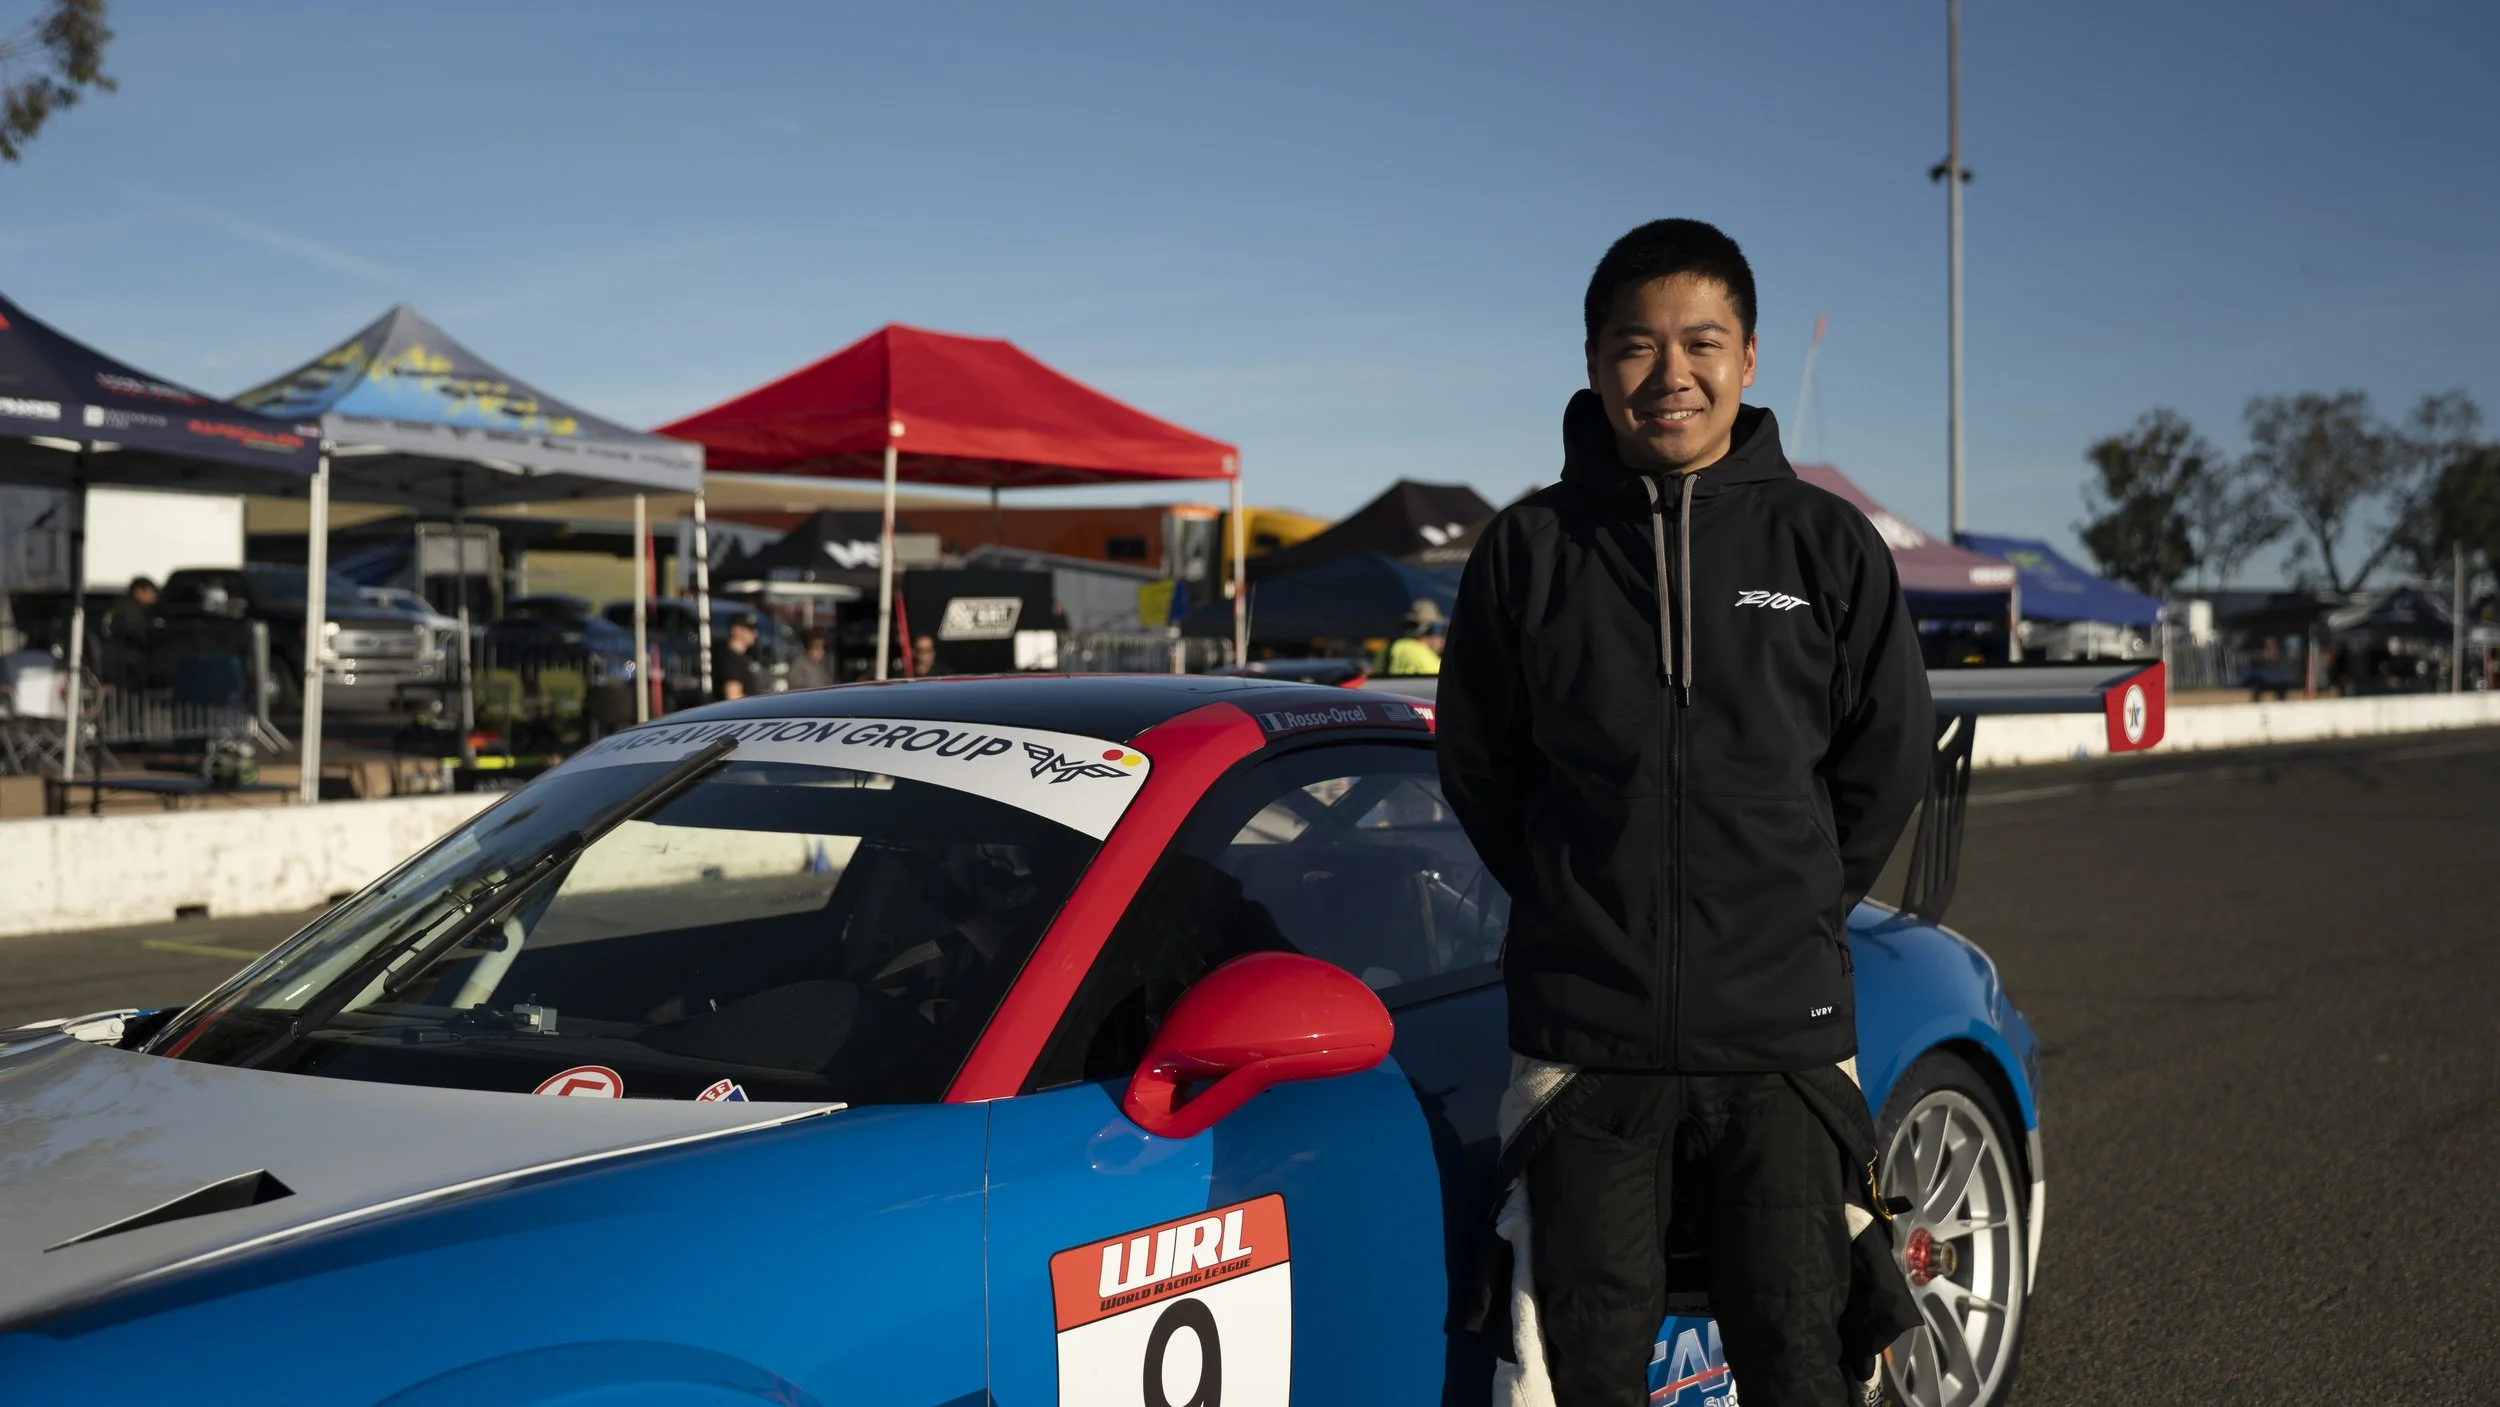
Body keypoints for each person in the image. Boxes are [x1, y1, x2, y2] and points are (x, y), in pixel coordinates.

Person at [1438, 219, 1932, 1407]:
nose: (1670, 376)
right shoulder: (1527, 551)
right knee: (1581, 1364)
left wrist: (1795, 903)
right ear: (1594, 363)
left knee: (1796, 1355)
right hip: (1585, 1044)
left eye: (1700, 343)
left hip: (1782, 1037)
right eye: (1634, 347)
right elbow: (1481, 768)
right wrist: (1581, 899)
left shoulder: (1824, 543)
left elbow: (1885, 758)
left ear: (1749, 357)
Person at [103, 576, 158, 691]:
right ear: (138, 591)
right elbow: (135, 631)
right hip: (124, 657)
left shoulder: (122, 605)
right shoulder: (130, 608)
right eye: (150, 592)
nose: (153, 597)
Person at [1377, 599, 1447, 676]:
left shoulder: (1385, 651)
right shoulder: (1427, 660)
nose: (1441, 638)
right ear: (1428, 629)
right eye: (1438, 628)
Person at [711, 616, 762, 701]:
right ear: (736, 630)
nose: (755, 634)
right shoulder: (733, 660)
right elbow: (733, 696)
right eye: (750, 630)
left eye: (755, 630)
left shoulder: (736, 657)